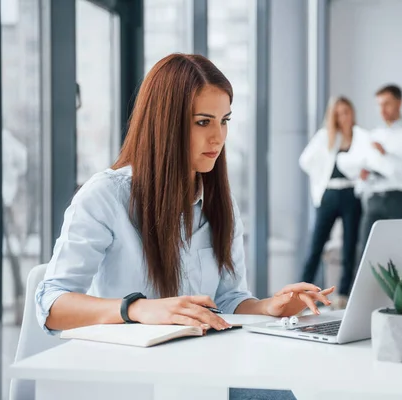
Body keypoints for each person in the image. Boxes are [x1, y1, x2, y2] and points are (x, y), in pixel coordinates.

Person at [35, 54, 333, 400]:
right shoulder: (105, 196)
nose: (218, 137)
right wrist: (137, 309)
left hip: (204, 369)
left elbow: (228, 299)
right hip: (133, 375)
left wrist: (269, 307)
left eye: (224, 121)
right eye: (203, 122)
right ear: (165, 122)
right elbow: (51, 305)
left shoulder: (221, 203)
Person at [336, 85, 402, 262]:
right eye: (379, 105)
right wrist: (363, 176)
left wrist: (386, 155)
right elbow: (364, 166)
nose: (382, 110)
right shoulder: (373, 136)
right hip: (374, 200)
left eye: (387, 104)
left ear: (399, 103)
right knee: (367, 256)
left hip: (400, 200)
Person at [299, 96, 367, 309]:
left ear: (352, 112)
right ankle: (302, 294)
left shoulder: (360, 137)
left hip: (351, 194)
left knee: (349, 248)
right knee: (315, 246)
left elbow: (368, 162)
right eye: (338, 113)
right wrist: (321, 174)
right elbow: (305, 161)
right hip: (329, 194)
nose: (343, 117)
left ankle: (343, 296)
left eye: (346, 111)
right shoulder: (324, 136)